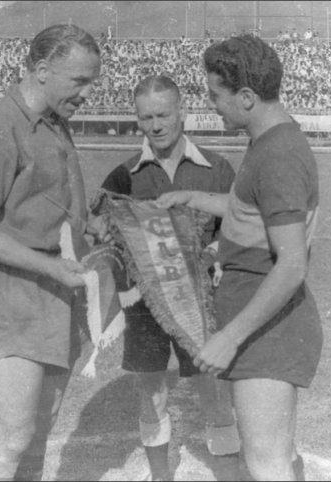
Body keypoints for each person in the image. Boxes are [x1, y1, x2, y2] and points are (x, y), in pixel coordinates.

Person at [157, 35, 323, 481]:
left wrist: (229, 337)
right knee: (274, 462)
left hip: (267, 332)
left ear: (247, 97)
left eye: (217, 95)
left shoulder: (279, 156)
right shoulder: (268, 143)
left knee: (267, 466)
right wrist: (192, 195)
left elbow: (291, 265)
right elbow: (247, 210)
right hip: (265, 326)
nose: (213, 106)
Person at [0, 24, 101, 481]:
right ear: (41, 70)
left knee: (37, 436)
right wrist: (51, 267)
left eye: (90, 82)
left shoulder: (56, 126)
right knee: (10, 438)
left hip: (58, 295)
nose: (86, 94)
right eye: (79, 81)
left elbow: (52, 208)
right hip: (16, 293)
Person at [95, 75, 239, 481]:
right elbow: (100, 229)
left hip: (202, 301)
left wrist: (210, 255)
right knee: (151, 391)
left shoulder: (218, 168)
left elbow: (238, 231)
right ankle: (161, 476)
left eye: (163, 115)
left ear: (183, 113)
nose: (155, 126)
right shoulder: (124, 176)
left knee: (213, 390)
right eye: (145, 118)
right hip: (146, 306)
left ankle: (228, 474)